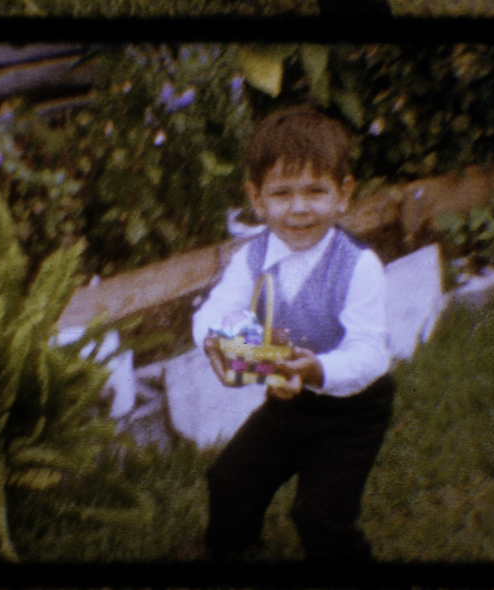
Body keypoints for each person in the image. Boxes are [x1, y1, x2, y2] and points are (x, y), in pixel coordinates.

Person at [192, 104, 394, 562]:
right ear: (257, 198)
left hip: (353, 410)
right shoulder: (250, 259)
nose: (299, 208)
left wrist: (318, 368)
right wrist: (221, 345)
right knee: (229, 478)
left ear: (343, 194)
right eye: (282, 193)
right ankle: (227, 547)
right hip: (289, 402)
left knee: (320, 518)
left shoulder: (359, 266)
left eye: (315, 191)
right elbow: (215, 312)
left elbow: (369, 354)